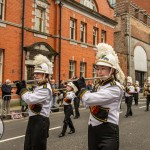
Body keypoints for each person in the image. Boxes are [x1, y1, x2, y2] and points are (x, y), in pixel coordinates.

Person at [77, 43, 125, 150]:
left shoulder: (115, 88)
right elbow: (86, 104)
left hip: (107, 133)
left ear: (112, 70)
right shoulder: (98, 85)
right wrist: (78, 91)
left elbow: (89, 99)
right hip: (93, 130)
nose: (99, 72)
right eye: (98, 69)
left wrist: (82, 89)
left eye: (103, 68)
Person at [16, 54, 53, 150]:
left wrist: (22, 90)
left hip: (41, 121)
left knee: (37, 147)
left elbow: (30, 99)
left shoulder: (45, 89)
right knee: (28, 146)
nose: (35, 75)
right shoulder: (39, 86)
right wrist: (23, 88)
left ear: (45, 75)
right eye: (35, 73)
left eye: (38, 73)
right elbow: (31, 97)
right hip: (34, 119)